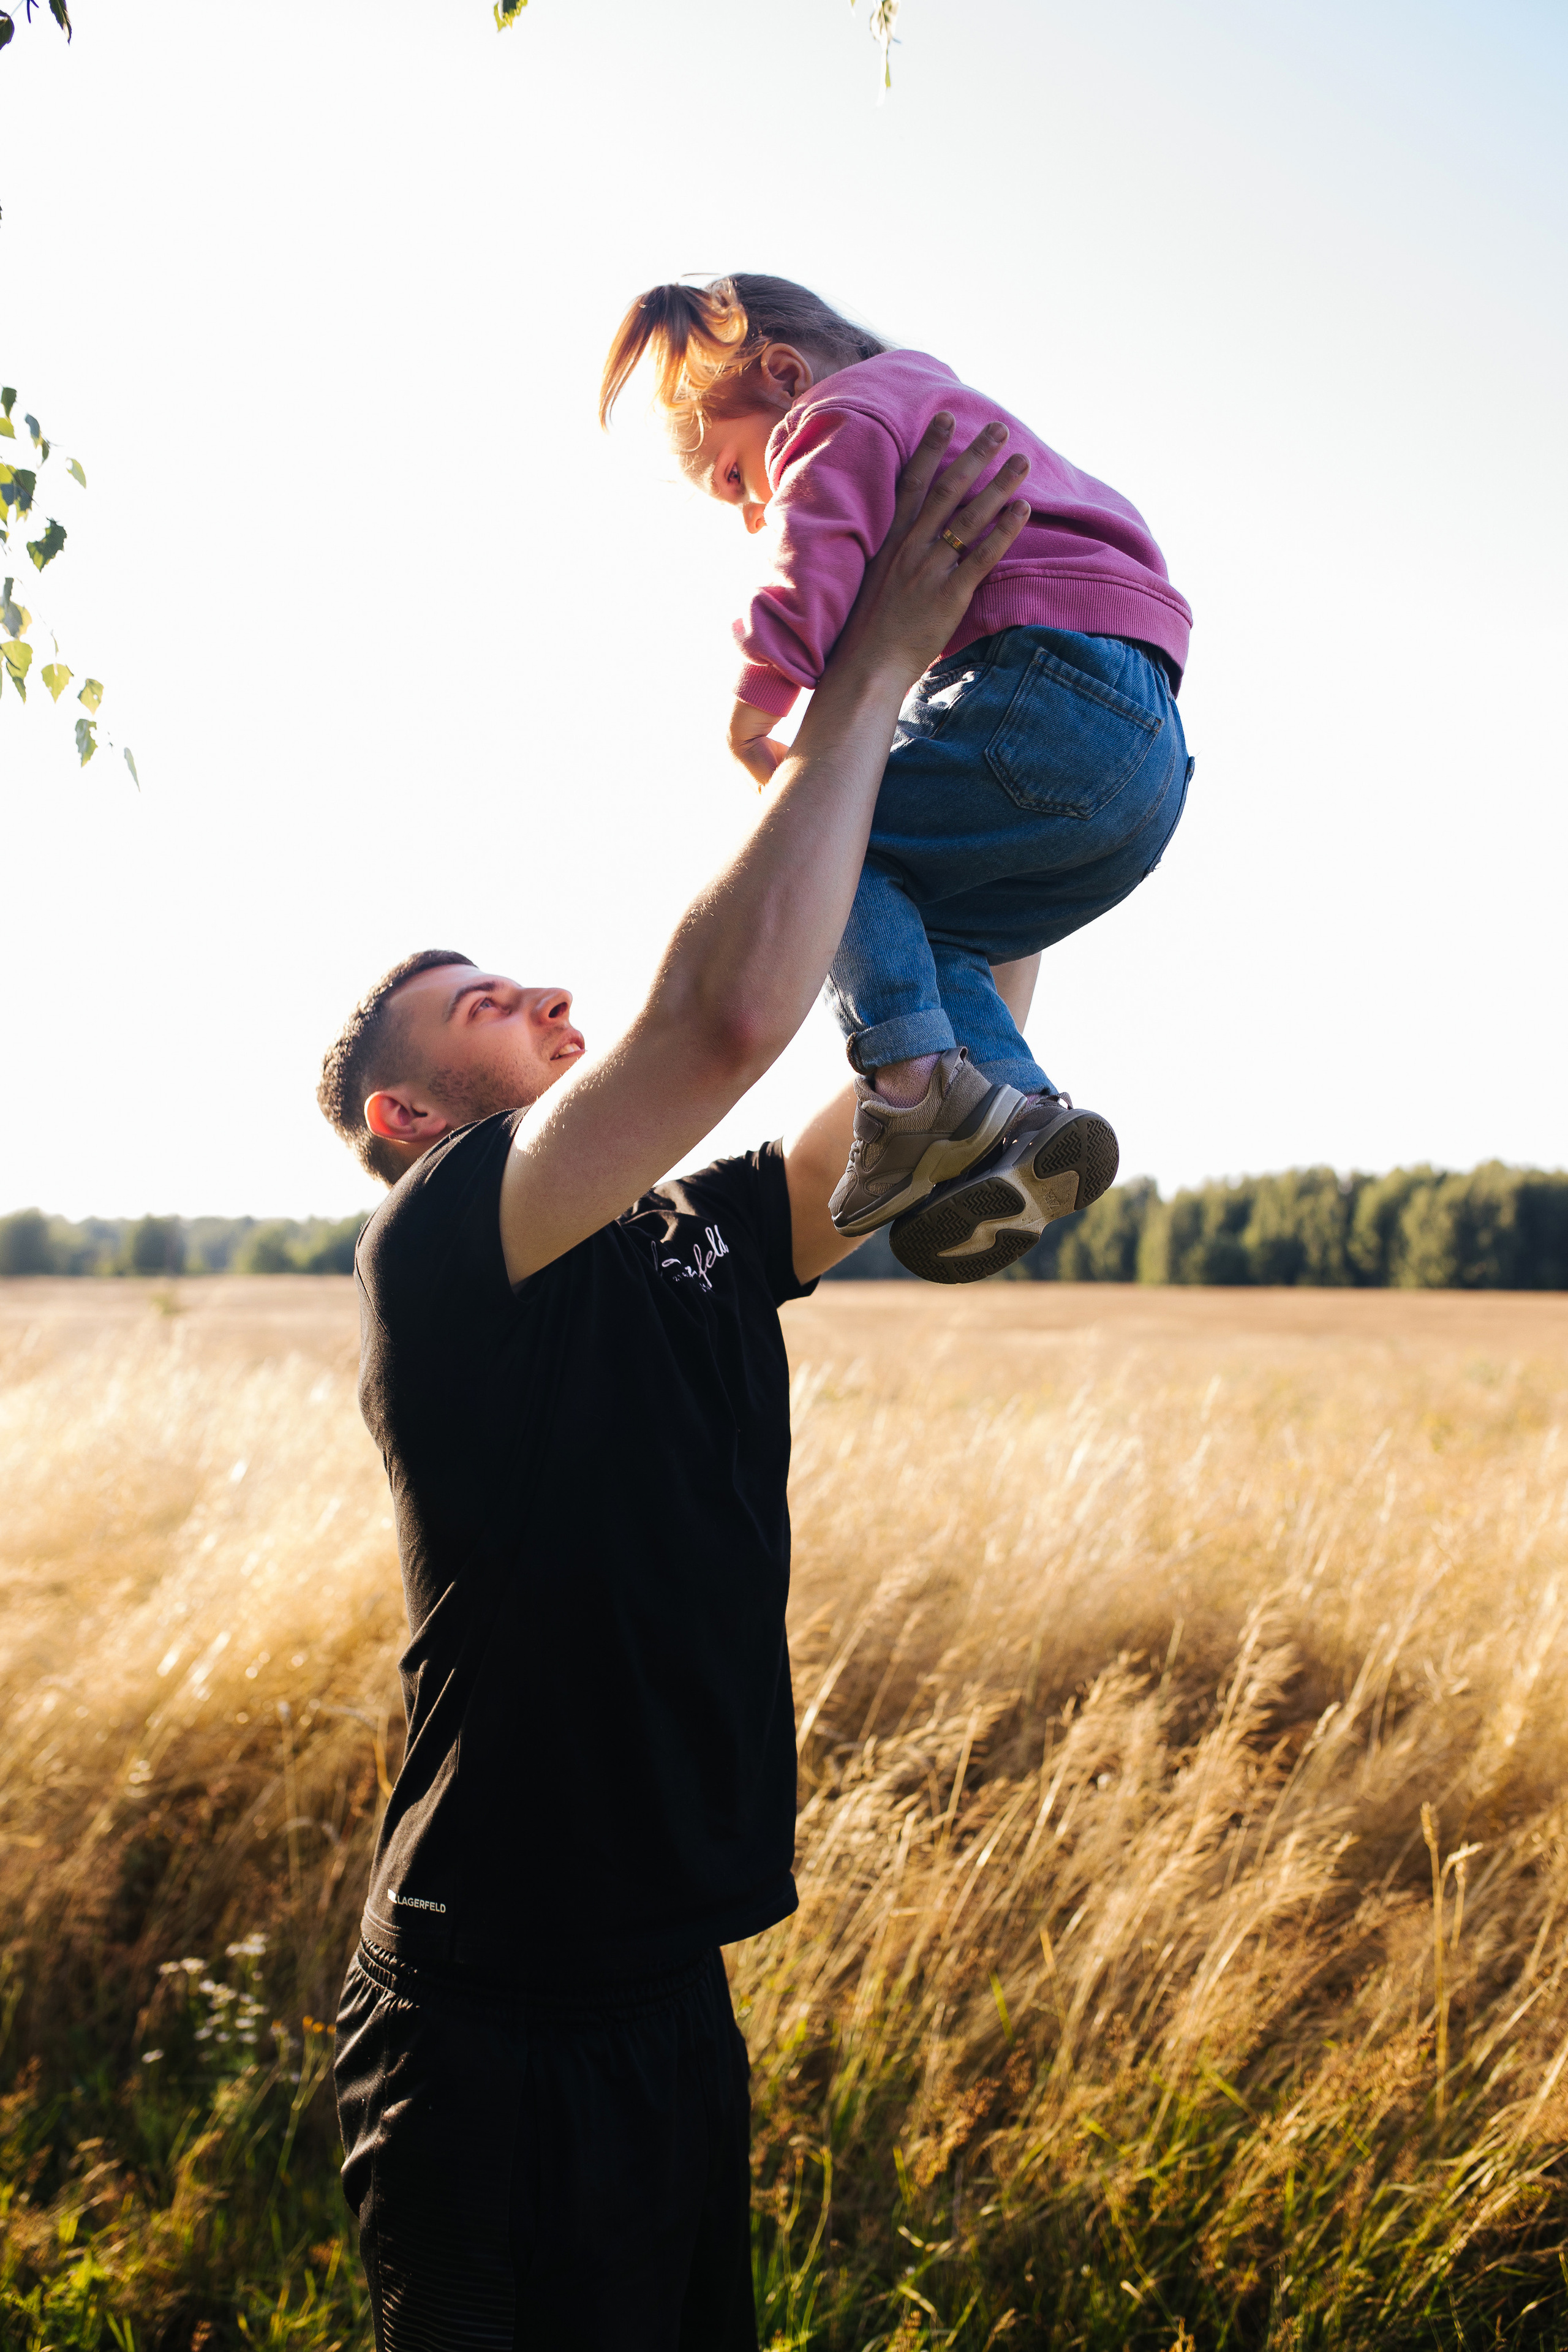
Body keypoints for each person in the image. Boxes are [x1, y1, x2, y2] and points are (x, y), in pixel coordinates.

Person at [317, 420, 1040, 2350]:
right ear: (408, 1117)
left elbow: (919, 1117)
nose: (544, 998)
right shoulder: (441, 1246)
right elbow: (724, 1017)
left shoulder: (683, 1232)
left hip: (662, 1992)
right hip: (484, 2019)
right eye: (485, 1008)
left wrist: (1022, 826)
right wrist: (866, 670)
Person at [600, 274, 1196, 1281]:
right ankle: (1015, 1113)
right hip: (1143, 764)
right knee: (930, 929)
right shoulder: (935, 405)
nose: (751, 510)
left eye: (737, 476)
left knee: (827, 856)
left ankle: (912, 1086)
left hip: (1043, 692)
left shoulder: (843, 414)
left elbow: (812, 557)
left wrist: (757, 701)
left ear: (785, 375)